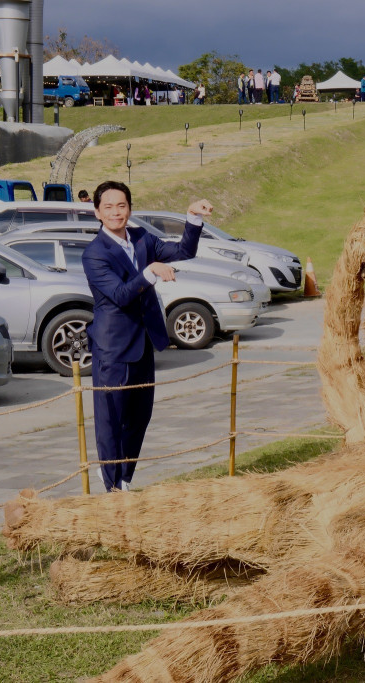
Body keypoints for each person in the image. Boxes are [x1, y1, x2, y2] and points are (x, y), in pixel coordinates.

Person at [82, 181, 212, 492]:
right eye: (109, 207)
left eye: (122, 205)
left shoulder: (141, 237)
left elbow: (183, 252)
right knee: (111, 419)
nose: (116, 212)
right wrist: (151, 271)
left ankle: (125, 478)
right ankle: (111, 483)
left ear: (130, 208)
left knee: (140, 417)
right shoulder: (94, 254)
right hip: (113, 347)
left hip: (143, 343)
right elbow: (120, 295)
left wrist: (192, 218)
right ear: (98, 212)